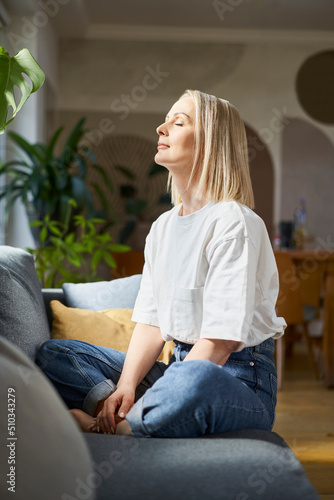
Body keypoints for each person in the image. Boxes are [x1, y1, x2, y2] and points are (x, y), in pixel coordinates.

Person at [36, 89, 286, 438]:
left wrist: (162, 392)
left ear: (209, 143)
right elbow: (152, 324)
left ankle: (126, 427)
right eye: (166, 120)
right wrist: (124, 387)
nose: (160, 128)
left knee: (192, 378)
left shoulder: (235, 222)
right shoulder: (163, 227)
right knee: (54, 353)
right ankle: (115, 414)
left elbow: (220, 343)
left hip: (235, 381)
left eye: (177, 122)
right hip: (175, 370)